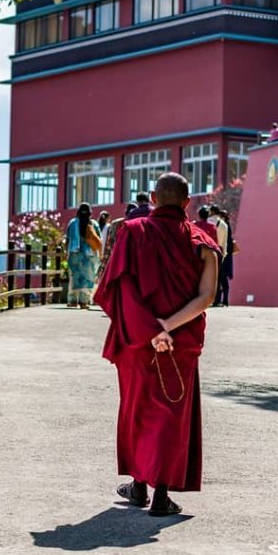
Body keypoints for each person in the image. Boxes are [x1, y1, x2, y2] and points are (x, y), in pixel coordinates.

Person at [94, 172, 220, 516]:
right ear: (187, 203)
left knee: (138, 411)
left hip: (138, 341)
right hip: (180, 341)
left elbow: (120, 289)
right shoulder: (203, 241)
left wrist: (151, 330)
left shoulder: (132, 233)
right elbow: (207, 296)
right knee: (170, 414)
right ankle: (160, 495)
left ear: (153, 198)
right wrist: (168, 327)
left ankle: (138, 486)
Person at [65, 203, 103, 309]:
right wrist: (100, 254)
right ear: (90, 212)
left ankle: (72, 301)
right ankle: (84, 302)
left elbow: (67, 240)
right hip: (89, 255)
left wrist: (66, 252)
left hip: (74, 254)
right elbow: (99, 240)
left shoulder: (72, 223)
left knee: (74, 277)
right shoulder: (93, 223)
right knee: (87, 278)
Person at [208, 205, 236, 307]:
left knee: (211, 277)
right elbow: (224, 243)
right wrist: (224, 254)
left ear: (211, 211)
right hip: (221, 252)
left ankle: (210, 299)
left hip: (209, 250)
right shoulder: (224, 225)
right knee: (220, 278)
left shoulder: (207, 222)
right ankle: (220, 299)